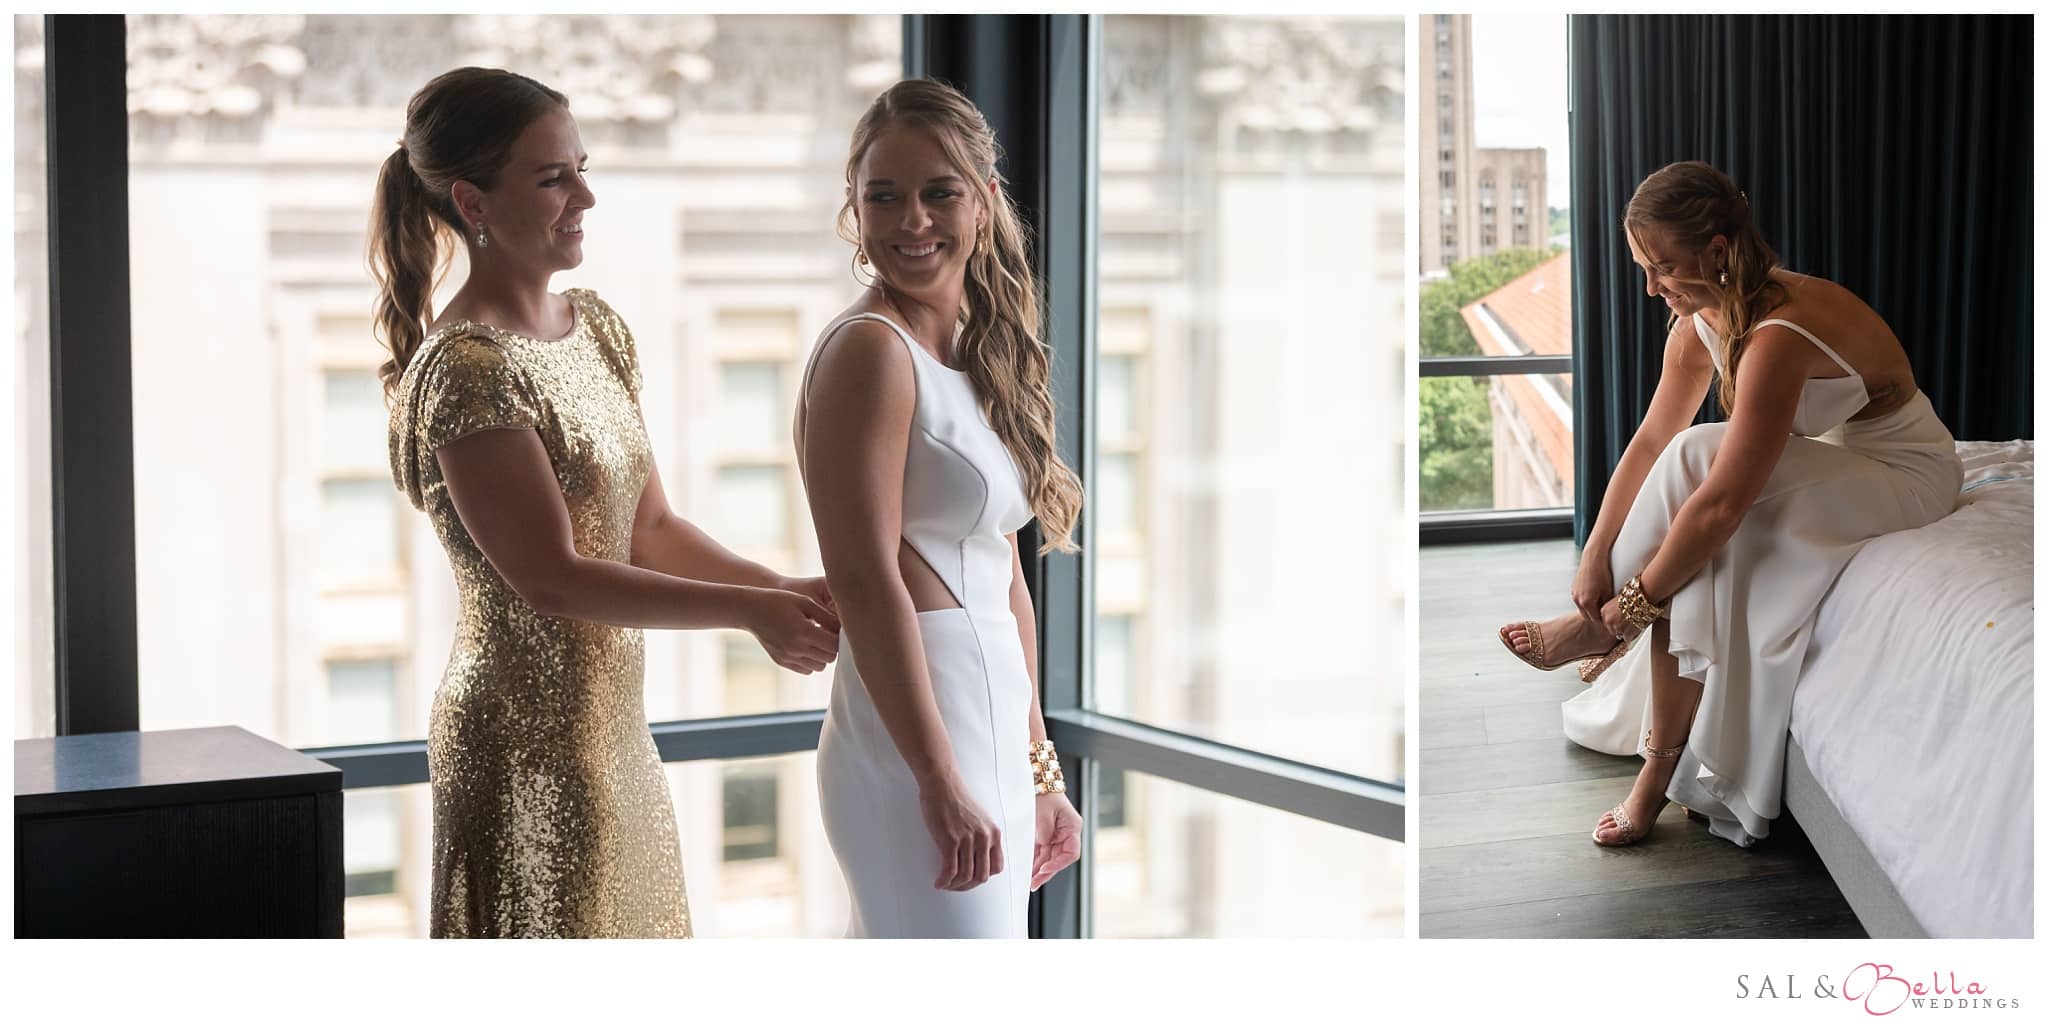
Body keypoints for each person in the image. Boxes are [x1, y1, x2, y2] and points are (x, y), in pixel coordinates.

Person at [374, 67, 840, 937]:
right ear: (473, 203)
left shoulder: (598, 327)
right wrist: (749, 612)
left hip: (615, 738)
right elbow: (553, 578)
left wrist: (778, 588)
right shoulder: (468, 368)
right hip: (523, 751)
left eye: (580, 169)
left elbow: (650, 529)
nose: (585, 196)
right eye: (553, 178)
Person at [1497, 161, 1963, 848]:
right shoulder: (1699, 321)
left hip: (1904, 473)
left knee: (1702, 495)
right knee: (1691, 507)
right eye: (1642, 269)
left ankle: (1610, 651)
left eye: (1663, 267)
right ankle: (1642, 730)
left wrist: (1633, 606)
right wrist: (1595, 554)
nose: (1652, 288)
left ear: (1717, 250)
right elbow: (1651, 441)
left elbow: (1719, 505)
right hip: (1830, 462)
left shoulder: (1781, 335)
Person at [794, 78, 1085, 937]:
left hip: (987, 723)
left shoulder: (977, 349)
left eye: (939, 192)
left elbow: (1006, 579)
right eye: (884, 195)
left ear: (983, 203)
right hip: (913, 741)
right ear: (855, 208)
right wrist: (935, 776)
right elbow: (862, 578)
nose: (911, 219)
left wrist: (1040, 769)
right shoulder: (870, 352)